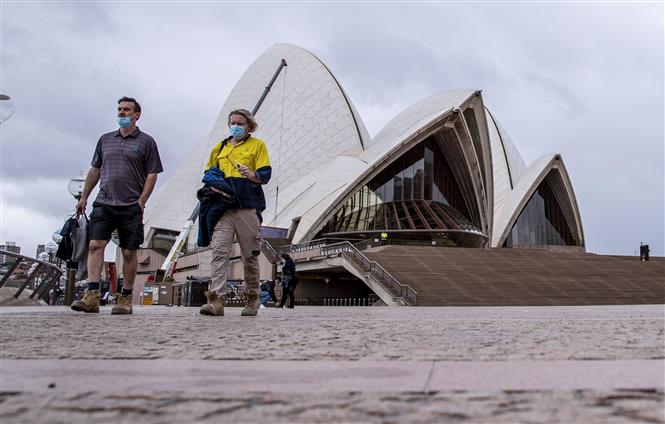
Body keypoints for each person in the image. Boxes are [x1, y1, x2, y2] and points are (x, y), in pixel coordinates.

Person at [71, 96, 163, 314]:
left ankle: (125, 298)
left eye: (126, 110)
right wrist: (84, 196)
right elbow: (95, 169)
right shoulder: (105, 140)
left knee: (129, 252)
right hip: (104, 202)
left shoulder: (146, 142)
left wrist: (141, 202)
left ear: (136, 115)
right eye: (119, 109)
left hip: (130, 204)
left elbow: (152, 174)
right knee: (95, 244)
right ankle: (92, 295)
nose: (121, 112)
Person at [199, 109, 271, 317]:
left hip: (247, 207)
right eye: (232, 123)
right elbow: (208, 173)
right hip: (223, 208)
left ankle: (252, 299)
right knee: (219, 253)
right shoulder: (220, 147)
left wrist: (251, 174)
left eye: (240, 123)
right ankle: (217, 300)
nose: (236, 126)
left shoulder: (257, 146)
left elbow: (265, 175)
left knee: (250, 256)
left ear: (249, 126)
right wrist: (215, 185)